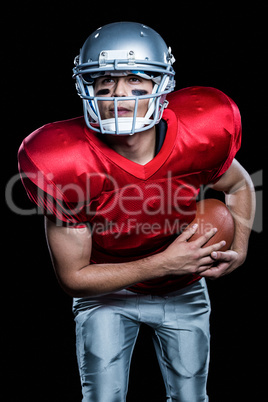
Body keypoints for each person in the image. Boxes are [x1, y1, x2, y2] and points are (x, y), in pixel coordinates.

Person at [18, 22, 255, 402]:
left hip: (183, 288)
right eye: (105, 83)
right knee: (102, 398)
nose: (118, 95)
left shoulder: (199, 130)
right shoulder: (61, 159)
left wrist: (240, 247)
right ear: (87, 89)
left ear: (162, 88)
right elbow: (74, 278)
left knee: (192, 396)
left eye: (135, 80)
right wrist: (165, 262)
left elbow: (240, 184)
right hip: (107, 292)